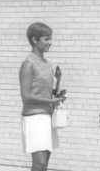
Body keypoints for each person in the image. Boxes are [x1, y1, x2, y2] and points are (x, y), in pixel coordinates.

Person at [19, 22, 66, 171]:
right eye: (46, 39)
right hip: (33, 117)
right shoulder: (28, 65)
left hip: (47, 116)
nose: (50, 43)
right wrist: (50, 100)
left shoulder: (48, 64)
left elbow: (45, 91)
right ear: (34, 40)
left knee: (44, 164)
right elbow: (26, 96)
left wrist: (57, 95)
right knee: (39, 163)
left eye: (51, 39)